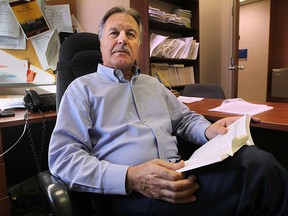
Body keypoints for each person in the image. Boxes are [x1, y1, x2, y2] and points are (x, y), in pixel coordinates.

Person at [48, 5, 288, 216]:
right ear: (101, 44)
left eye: (131, 34)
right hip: (128, 194)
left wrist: (208, 130)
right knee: (258, 176)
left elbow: (184, 120)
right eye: (114, 33)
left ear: (139, 45)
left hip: (181, 172)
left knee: (255, 158)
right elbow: (63, 159)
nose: (122, 39)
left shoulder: (152, 84)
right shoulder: (81, 89)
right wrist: (131, 177)